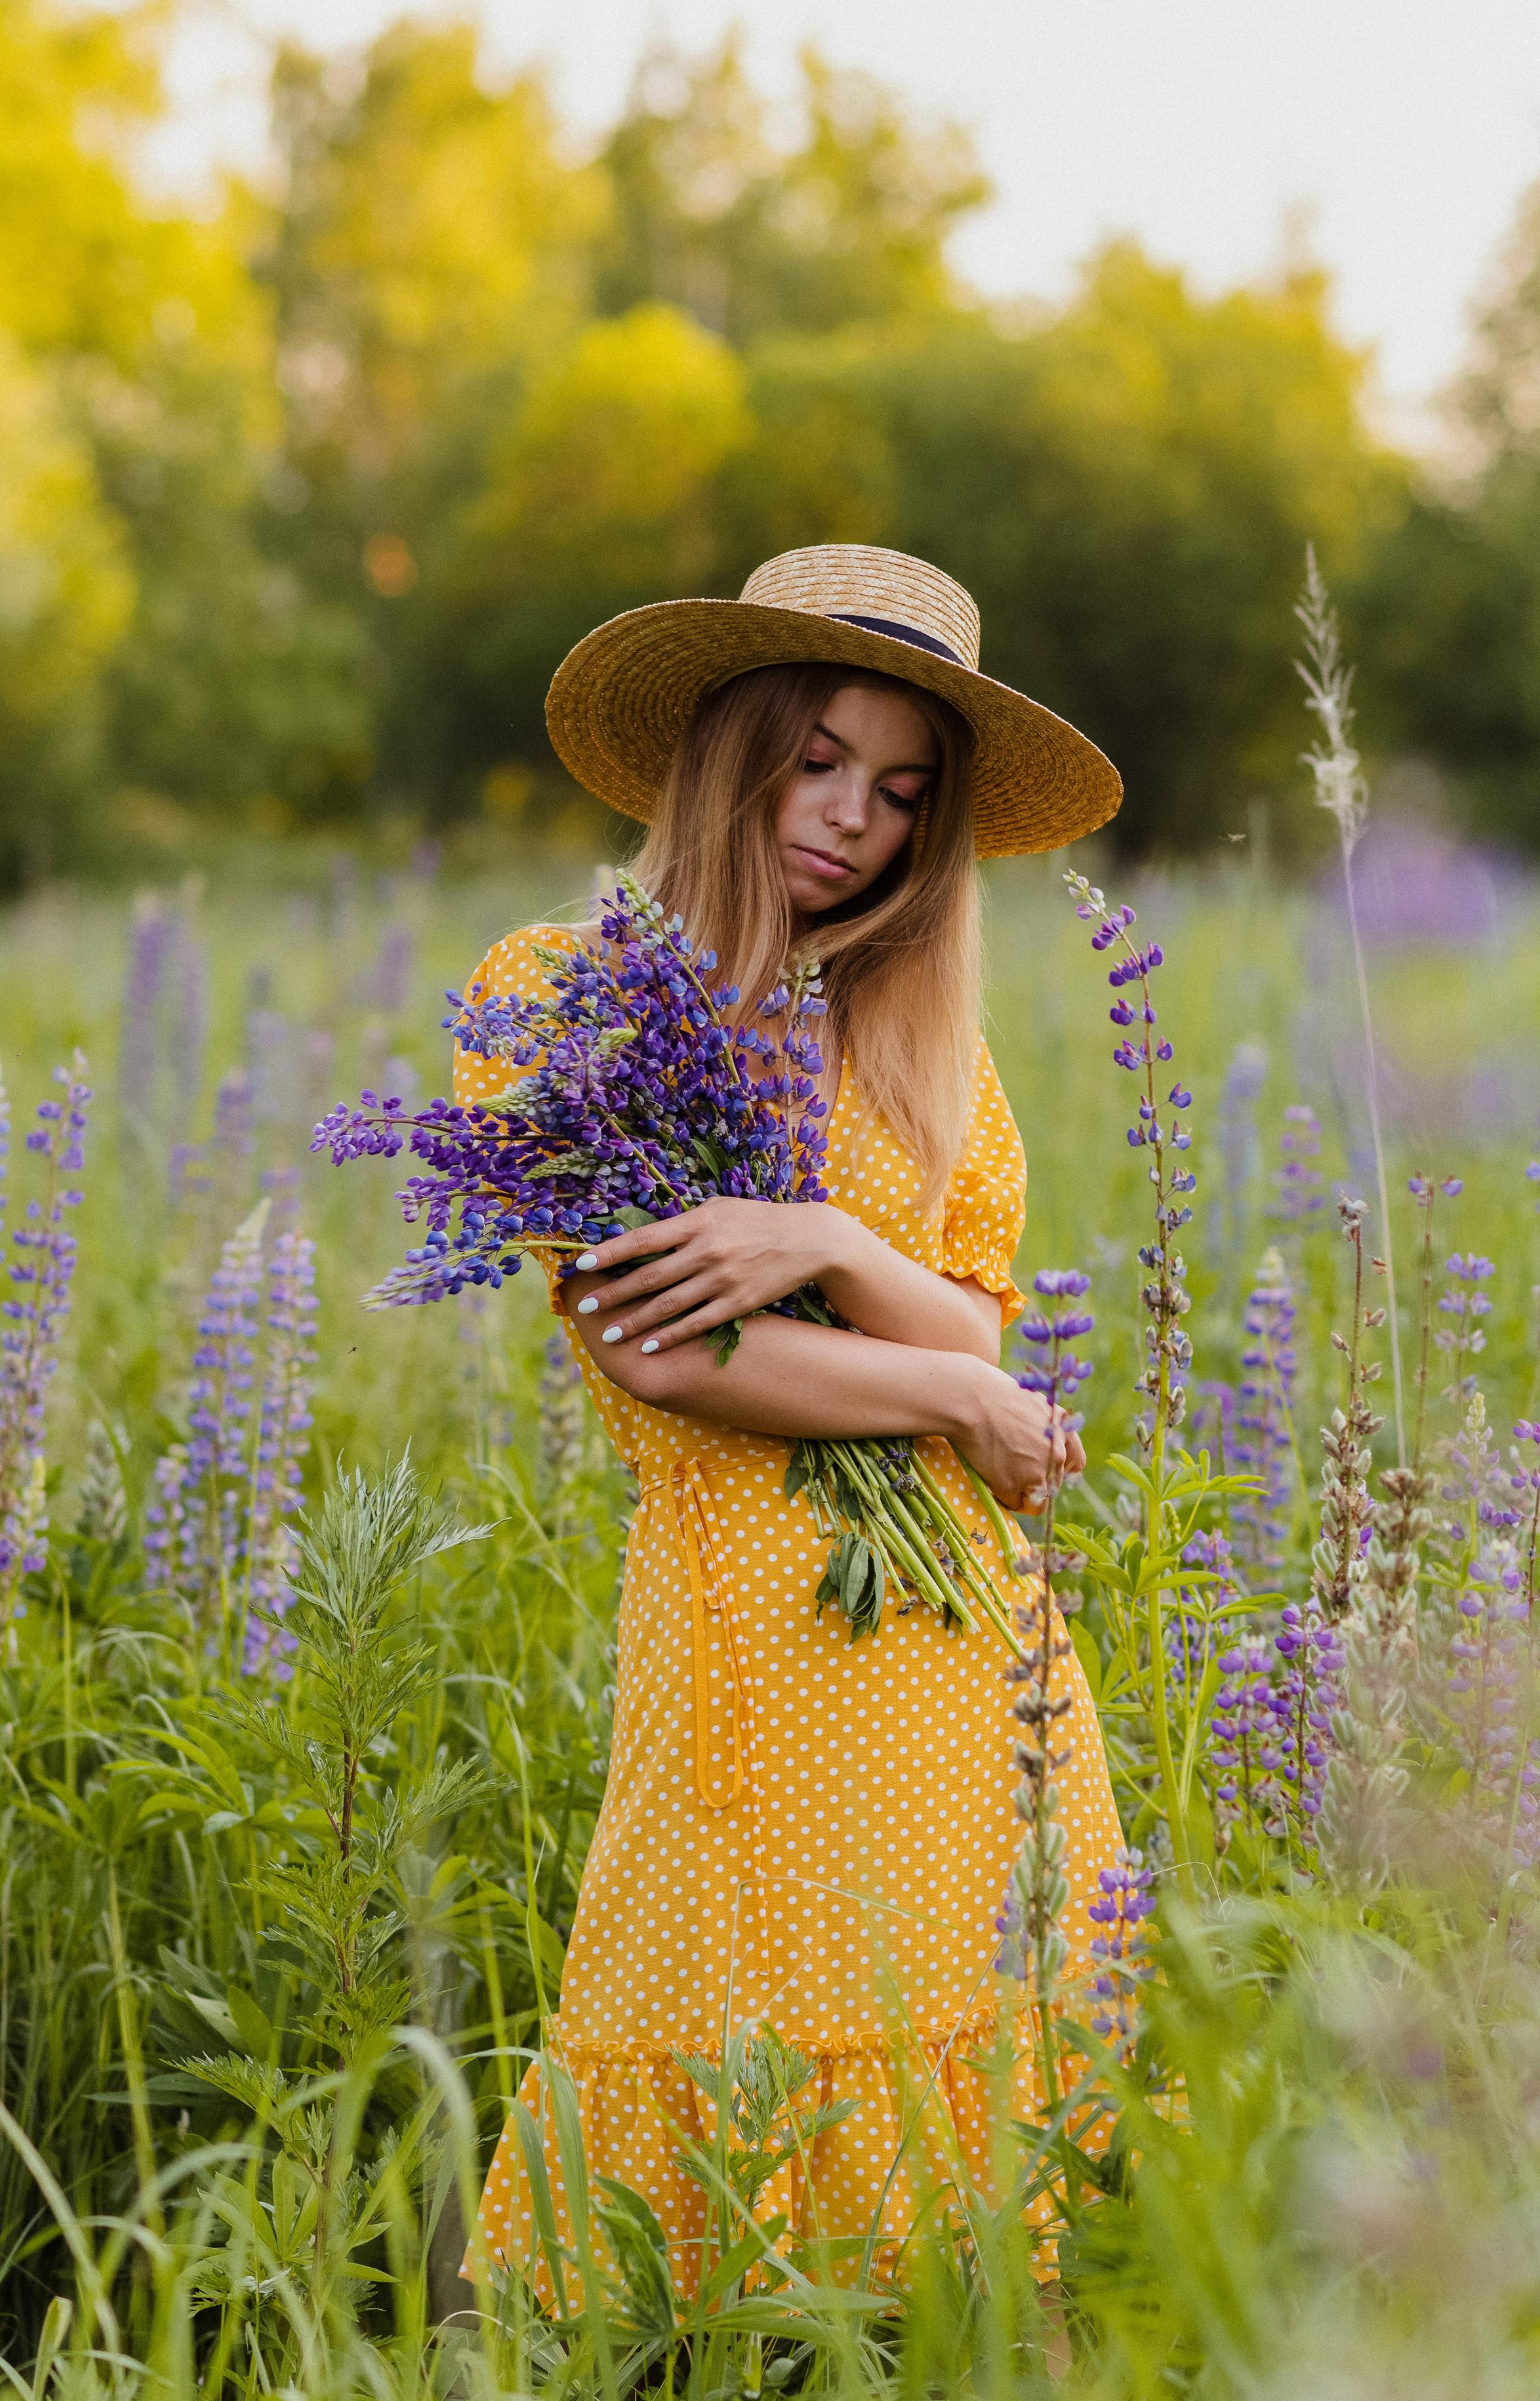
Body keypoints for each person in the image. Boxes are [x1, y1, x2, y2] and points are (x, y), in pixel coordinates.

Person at [455, 544, 1128, 2302]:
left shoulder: (923, 1049)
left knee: (980, 2229)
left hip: (968, 1664)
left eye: (903, 792)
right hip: (740, 1641)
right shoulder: (558, 997)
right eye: (818, 758)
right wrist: (963, 1392)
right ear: (733, 746)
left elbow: (971, 1305)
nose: (853, 819)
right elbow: (666, 1353)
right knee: (677, 2108)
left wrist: (831, 1239)